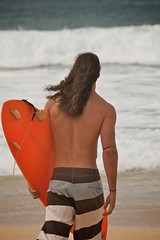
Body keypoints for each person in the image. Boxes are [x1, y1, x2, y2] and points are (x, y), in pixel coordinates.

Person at [29, 52, 118, 240]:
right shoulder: (105, 109)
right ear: (98, 75)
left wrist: (33, 180)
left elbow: (41, 146)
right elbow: (109, 151)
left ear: (74, 71)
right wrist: (112, 190)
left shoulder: (53, 104)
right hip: (89, 184)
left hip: (59, 182)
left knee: (51, 237)